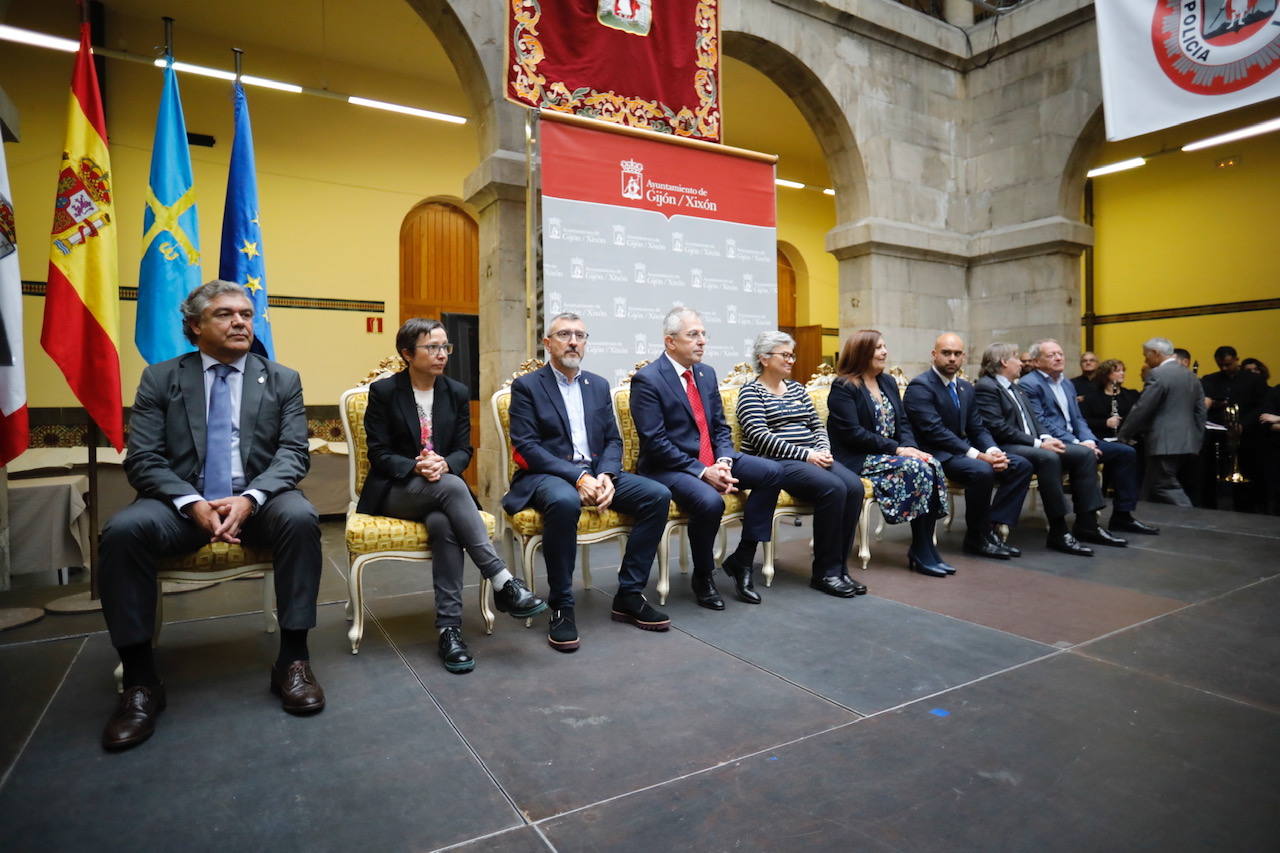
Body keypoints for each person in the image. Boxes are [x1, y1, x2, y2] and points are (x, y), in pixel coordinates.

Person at [98, 281, 325, 751]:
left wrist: (252, 498)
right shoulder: (161, 379)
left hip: (257, 503)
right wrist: (192, 503)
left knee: (301, 518)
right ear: (194, 326)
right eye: (225, 314)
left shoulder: (282, 378)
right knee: (122, 532)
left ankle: (293, 661)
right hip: (180, 508)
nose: (241, 322)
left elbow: (293, 454)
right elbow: (143, 458)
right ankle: (141, 683)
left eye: (246, 314)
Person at [358, 318, 546, 674]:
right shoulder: (384, 393)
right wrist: (417, 467)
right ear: (407, 354)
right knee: (453, 488)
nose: (442, 354)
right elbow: (378, 454)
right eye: (432, 347)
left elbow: (464, 451)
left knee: (445, 523)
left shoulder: (456, 393)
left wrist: (444, 463)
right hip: (396, 491)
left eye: (446, 347)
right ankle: (502, 580)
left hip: (442, 492)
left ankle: (450, 631)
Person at [503, 312, 672, 651]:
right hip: (546, 475)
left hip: (597, 473)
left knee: (657, 495)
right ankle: (562, 606)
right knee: (564, 502)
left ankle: (628, 594)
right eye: (564, 334)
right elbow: (528, 447)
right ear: (547, 343)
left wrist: (607, 476)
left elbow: (613, 439)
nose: (573, 341)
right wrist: (578, 477)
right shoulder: (528, 386)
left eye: (580, 335)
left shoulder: (596, 385)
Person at [629, 307, 783, 609]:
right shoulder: (647, 380)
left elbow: (719, 428)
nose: (702, 341)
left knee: (772, 472)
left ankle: (742, 560)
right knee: (710, 501)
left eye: (703, 334)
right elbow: (655, 442)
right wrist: (703, 472)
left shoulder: (706, 373)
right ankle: (703, 576)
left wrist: (723, 461)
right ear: (670, 342)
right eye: (693, 335)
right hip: (668, 467)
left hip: (712, 459)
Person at [735, 330, 867, 596]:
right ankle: (825, 573)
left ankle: (840, 568)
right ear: (764, 358)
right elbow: (761, 438)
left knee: (854, 487)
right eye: (785, 355)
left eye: (792, 355)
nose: (791, 360)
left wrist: (823, 450)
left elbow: (816, 425)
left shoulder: (797, 388)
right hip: (778, 462)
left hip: (813, 457)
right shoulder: (751, 393)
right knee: (834, 488)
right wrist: (807, 455)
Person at [974, 343, 1126, 556]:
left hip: (1031, 442)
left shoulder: (1014, 386)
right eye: (1016, 358)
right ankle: (1059, 529)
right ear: (1003, 362)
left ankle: (1087, 523)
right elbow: (998, 428)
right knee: (1048, 457)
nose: (1021, 362)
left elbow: (1035, 420)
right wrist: (1039, 444)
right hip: (1006, 445)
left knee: (1083, 454)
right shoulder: (987, 386)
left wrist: (1046, 437)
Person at [826, 330, 952, 577]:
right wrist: (898, 449)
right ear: (862, 352)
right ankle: (922, 550)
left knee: (930, 462)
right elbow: (853, 434)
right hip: (856, 458)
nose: (885, 352)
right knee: (915, 467)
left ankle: (923, 546)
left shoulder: (888, 382)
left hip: (889, 455)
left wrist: (910, 448)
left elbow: (903, 422)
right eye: (878, 348)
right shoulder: (843, 387)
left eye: (885, 346)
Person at [903, 333, 1033, 560]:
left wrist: (993, 451)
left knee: (1020, 464)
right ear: (934, 355)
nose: (952, 358)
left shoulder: (965, 387)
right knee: (982, 470)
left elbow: (978, 427)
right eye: (946, 353)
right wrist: (979, 456)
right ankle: (976, 538)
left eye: (957, 354)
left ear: (963, 357)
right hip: (937, 453)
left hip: (964, 450)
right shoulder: (920, 386)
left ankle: (990, 529)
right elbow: (935, 432)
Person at [1020, 339, 1158, 535]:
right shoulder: (1029, 384)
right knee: (1085, 455)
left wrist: (1089, 440)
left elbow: (1078, 418)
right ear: (1035, 362)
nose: (1058, 357)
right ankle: (1087, 522)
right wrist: (1078, 442)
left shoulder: (1066, 382)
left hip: (1079, 440)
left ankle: (1122, 515)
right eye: (1051, 355)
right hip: (1054, 443)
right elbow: (1040, 422)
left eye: (1060, 353)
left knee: (1125, 453)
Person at [1116, 338, 1207, 507]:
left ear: (1156, 354)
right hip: (1186, 441)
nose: (1145, 360)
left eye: (1146, 356)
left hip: (1164, 441)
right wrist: (1197, 439)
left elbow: (1143, 408)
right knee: (1150, 485)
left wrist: (1124, 434)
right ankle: (1138, 516)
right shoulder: (1191, 376)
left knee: (1163, 485)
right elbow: (1200, 411)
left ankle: (1191, 517)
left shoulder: (1158, 375)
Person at [1079, 359, 1139, 441]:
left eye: (1123, 370)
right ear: (1106, 374)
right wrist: (1105, 423)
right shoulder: (1092, 398)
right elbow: (1084, 421)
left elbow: (1137, 416)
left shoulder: (1131, 395)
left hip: (1129, 439)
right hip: (1102, 439)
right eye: (1117, 371)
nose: (1122, 373)